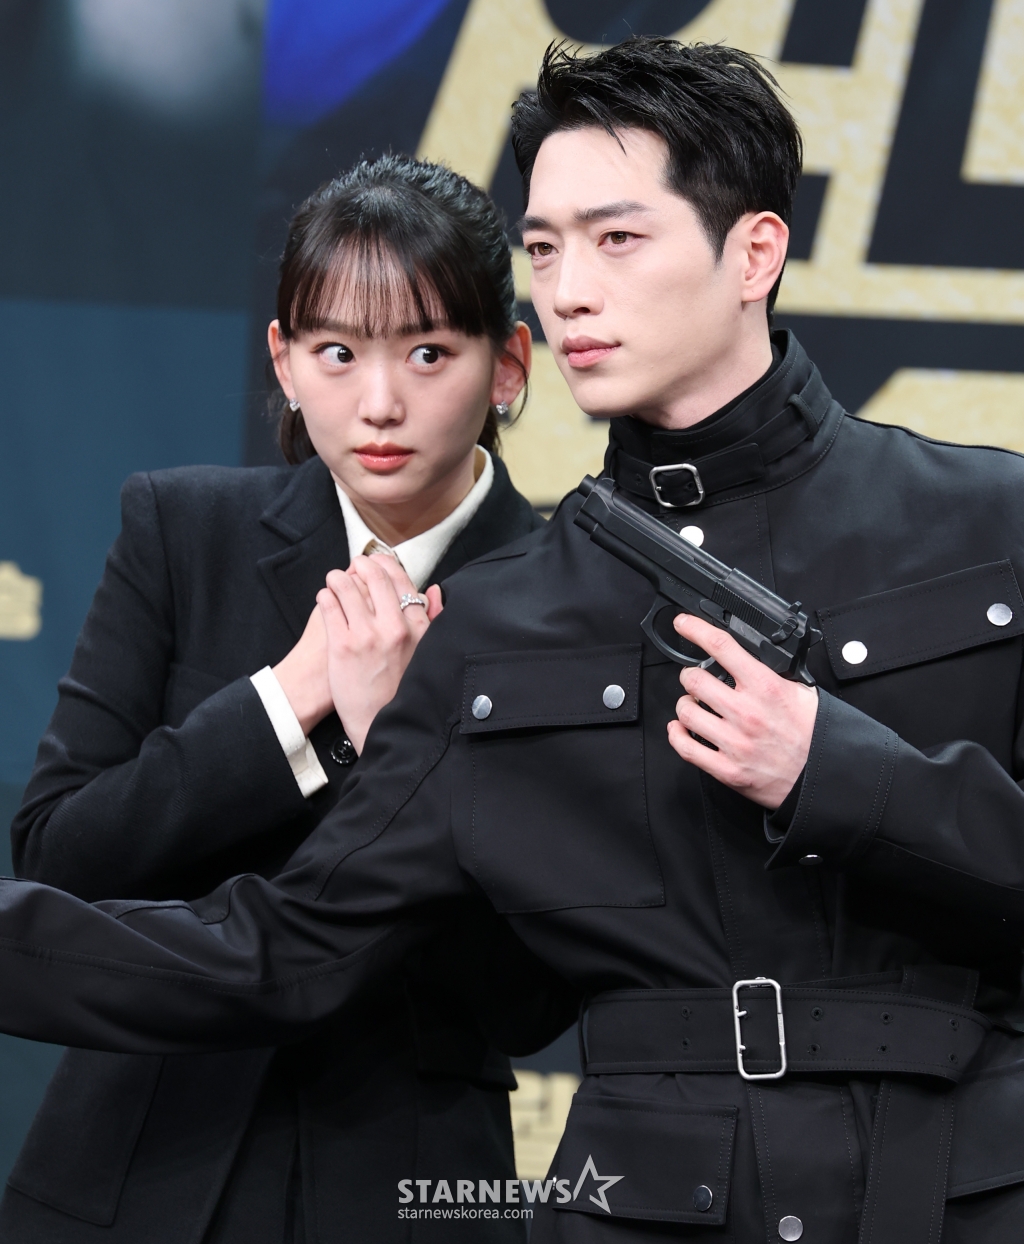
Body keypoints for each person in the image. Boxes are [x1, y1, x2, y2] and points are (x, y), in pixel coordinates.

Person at [0, 35, 1023, 1243]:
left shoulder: (992, 522)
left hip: (963, 1186)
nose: (568, 288)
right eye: (543, 249)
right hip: (647, 1207)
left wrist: (842, 774)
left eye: (615, 238)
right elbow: (285, 949)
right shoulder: (497, 615)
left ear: (754, 251)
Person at [1, 154, 577, 1243]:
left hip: (405, 1184)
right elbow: (62, 857)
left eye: (428, 352)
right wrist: (288, 694)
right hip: (131, 1163)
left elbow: (528, 998)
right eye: (337, 352)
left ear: (507, 364)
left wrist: (391, 742)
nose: (379, 403)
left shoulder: (570, 607)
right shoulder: (184, 533)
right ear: (284, 360)